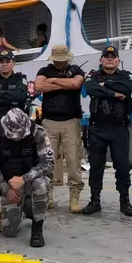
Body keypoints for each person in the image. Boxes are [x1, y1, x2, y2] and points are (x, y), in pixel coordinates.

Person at [0, 108, 53, 247]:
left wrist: (24, 179)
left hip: (32, 179)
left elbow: (49, 163)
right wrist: (5, 189)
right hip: (10, 184)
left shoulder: (37, 132)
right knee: (9, 230)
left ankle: (37, 229)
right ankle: (25, 208)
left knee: (41, 186)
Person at [81, 46, 132, 217]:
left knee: (122, 165)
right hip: (98, 128)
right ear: (101, 60)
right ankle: (94, 200)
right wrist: (114, 94)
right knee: (96, 166)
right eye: (106, 56)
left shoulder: (126, 76)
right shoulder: (92, 76)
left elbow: (128, 88)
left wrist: (106, 85)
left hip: (119, 128)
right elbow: (91, 89)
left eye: (113, 56)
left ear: (118, 60)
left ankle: (125, 201)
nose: (110, 59)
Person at [34, 44, 86, 212]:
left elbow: (76, 84)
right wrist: (65, 84)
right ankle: (47, 195)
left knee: (73, 159)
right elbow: (39, 86)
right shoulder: (44, 70)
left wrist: (54, 81)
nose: (59, 63)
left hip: (71, 121)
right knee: (47, 160)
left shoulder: (76, 70)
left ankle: (74, 195)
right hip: (49, 121)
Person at [0, 50, 29, 132]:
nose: (4, 64)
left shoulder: (20, 79)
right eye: (1, 61)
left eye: (8, 61)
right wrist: (11, 100)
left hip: (17, 126)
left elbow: (21, 96)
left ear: (13, 63)